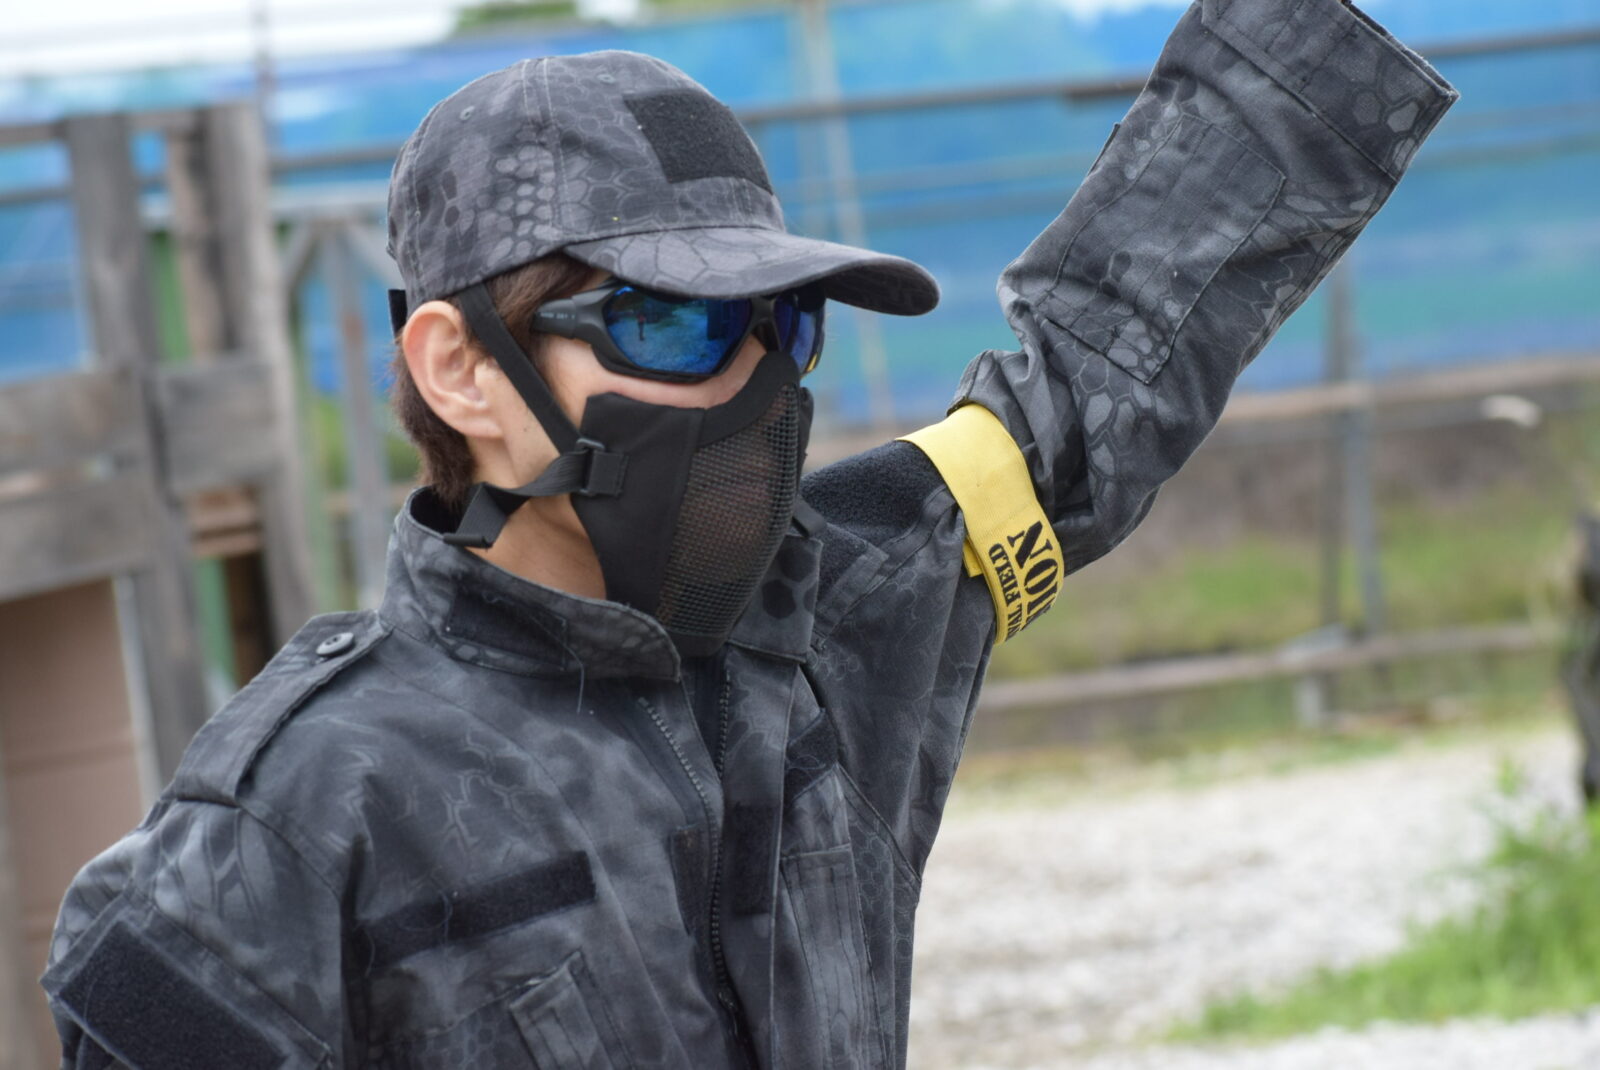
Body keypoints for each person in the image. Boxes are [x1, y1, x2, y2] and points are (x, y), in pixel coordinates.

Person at [40, 1, 1456, 1066]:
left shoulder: (839, 610)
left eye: (780, 324)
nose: (751, 387)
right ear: (460, 369)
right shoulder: (300, 814)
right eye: (673, 324)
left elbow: (1088, 391)